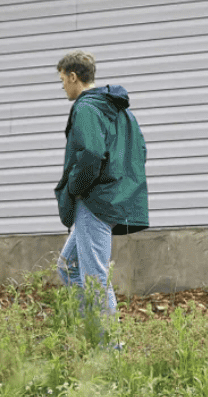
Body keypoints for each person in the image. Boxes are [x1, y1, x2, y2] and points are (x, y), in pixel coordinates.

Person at [54, 50, 149, 323]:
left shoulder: (86, 108)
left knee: (94, 277)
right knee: (68, 265)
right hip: (111, 196)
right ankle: (91, 331)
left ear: (74, 77)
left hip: (95, 200)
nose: (62, 86)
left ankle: (109, 350)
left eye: (62, 79)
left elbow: (92, 154)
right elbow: (140, 150)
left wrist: (75, 186)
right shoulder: (119, 109)